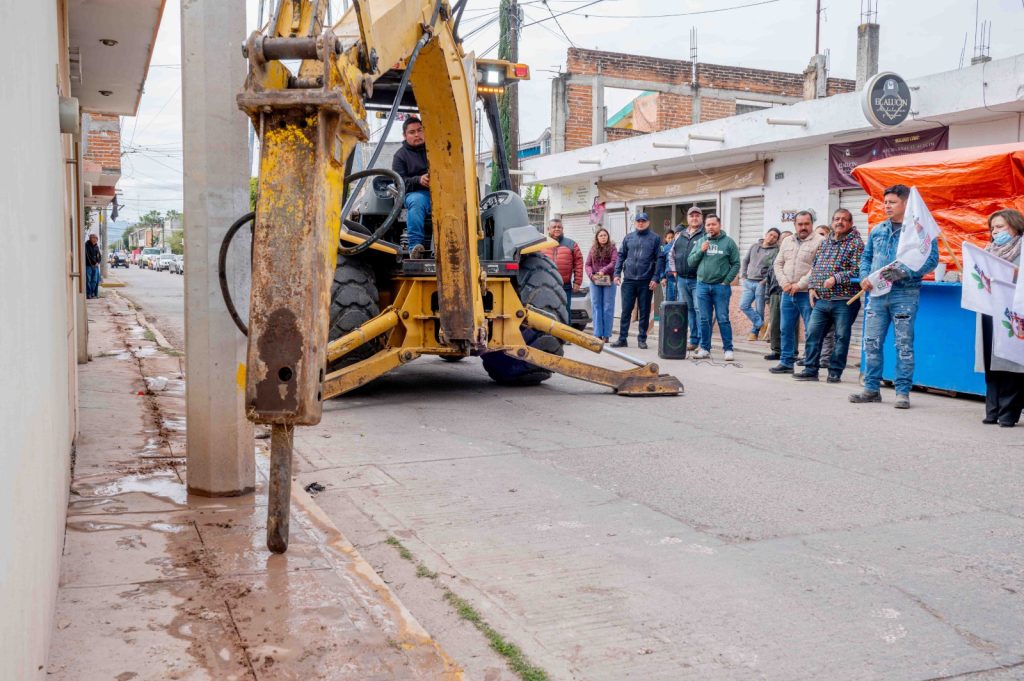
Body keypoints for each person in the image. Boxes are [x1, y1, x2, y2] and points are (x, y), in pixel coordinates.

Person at [850, 183, 939, 408]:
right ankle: (871, 389)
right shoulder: (878, 229)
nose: (887, 206)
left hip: (905, 294)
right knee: (871, 343)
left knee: (903, 345)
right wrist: (864, 277)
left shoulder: (920, 230)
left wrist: (905, 272)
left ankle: (902, 392)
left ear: (906, 203)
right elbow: (866, 257)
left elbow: (932, 259)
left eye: (892, 202)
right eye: (885, 202)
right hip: (876, 294)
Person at [792, 209, 865, 383]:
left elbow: (859, 270)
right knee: (813, 335)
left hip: (845, 301)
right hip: (822, 300)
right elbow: (815, 267)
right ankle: (810, 369)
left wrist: (836, 278)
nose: (840, 222)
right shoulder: (826, 242)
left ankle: (835, 372)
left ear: (850, 223)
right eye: (837, 219)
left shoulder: (856, 243)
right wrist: (812, 287)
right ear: (832, 222)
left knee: (841, 338)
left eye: (844, 219)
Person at [977, 209, 1023, 426]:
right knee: (991, 360)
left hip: (1015, 311)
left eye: (1000, 226)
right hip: (990, 311)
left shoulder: (1022, 248)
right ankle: (992, 410)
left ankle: (1008, 413)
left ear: (1015, 226)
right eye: (992, 227)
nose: (995, 231)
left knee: (1011, 361)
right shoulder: (989, 251)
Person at [769, 212, 824, 374]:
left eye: (807, 224)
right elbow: (778, 264)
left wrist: (799, 285)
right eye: (800, 224)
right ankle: (786, 362)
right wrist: (784, 283)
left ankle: (810, 364)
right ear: (794, 225)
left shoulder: (820, 241)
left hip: (808, 293)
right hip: (787, 292)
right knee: (785, 328)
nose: (803, 227)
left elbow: (818, 267)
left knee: (811, 330)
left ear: (812, 224)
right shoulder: (787, 241)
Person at [687, 214, 740, 361]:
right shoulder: (701, 241)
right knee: (704, 319)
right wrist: (701, 250)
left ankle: (728, 349)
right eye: (708, 225)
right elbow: (690, 262)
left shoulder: (728, 242)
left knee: (723, 318)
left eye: (713, 224)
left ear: (719, 225)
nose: (710, 227)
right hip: (702, 286)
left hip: (720, 287)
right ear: (705, 227)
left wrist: (727, 281)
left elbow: (736, 263)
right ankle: (705, 348)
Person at [612, 212, 662, 349]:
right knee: (626, 311)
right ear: (634, 223)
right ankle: (622, 338)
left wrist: (655, 277)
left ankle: (642, 339)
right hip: (629, 280)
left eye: (643, 221)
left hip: (646, 281)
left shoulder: (655, 238)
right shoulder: (628, 237)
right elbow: (621, 256)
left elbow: (660, 259)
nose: (641, 223)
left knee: (644, 311)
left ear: (648, 223)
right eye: (638, 221)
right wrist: (617, 273)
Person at [664, 205, 705, 350]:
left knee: (700, 310)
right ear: (688, 218)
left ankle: (703, 343)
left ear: (701, 218)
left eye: (697, 215)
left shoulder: (705, 235)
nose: (694, 218)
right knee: (689, 310)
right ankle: (693, 341)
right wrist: (674, 271)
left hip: (698, 280)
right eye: (691, 216)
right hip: (681, 279)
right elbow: (671, 254)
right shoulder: (680, 235)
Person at [392, 116, 430, 259]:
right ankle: (415, 247)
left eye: (420, 130)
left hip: (441, 192)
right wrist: (419, 180)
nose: (417, 135)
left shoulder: (435, 149)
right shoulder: (400, 156)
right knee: (417, 202)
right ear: (405, 135)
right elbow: (399, 182)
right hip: (416, 193)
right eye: (412, 132)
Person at [739, 228, 780, 340]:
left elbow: (773, 268)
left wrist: (765, 280)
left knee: (759, 309)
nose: (772, 238)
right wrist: (743, 275)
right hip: (748, 281)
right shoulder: (754, 246)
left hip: (761, 283)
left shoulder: (776, 251)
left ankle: (754, 333)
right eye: (771, 234)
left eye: (775, 237)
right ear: (766, 234)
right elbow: (745, 260)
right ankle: (761, 325)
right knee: (743, 305)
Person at [542, 218, 584, 320]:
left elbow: (579, 263)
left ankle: (565, 330)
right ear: (548, 229)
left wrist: (577, 282)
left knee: (565, 312)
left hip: (565, 286)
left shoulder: (571, 244)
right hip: (546, 286)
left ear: (562, 229)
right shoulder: (541, 244)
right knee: (547, 312)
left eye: (559, 227)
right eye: (554, 227)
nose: (557, 229)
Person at [763, 230, 794, 360]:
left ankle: (793, 352)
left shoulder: (794, 256)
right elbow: (769, 277)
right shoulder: (775, 256)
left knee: (790, 324)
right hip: (775, 293)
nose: (785, 241)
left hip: (790, 292)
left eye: (788, 238)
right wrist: (767, 295)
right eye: (783, 239)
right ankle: (776, 350)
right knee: (775, 323)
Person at [585, 227, 618, 342]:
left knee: (608, 307)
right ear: (597, 238)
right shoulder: (593, 249)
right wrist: (591, 275)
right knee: (596, 306)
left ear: (608, 237)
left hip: (609, 280)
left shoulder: (613, 248)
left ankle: (606, 335)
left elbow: (614, 262)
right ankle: (598, 334)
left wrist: (603, 270)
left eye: (605, 235)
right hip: (595, 281)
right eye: (601, 236)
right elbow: (587, 264)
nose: (603, 237)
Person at [660, 228, 677, 302]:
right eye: (668, 238)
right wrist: (662, 277)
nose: (670, 239)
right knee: (668, 299)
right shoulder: (663, 249)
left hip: (677, 277)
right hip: (667, 278)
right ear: (665, 239)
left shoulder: (678, 247)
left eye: (672, 237)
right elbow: (661, 264)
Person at [85, 233, 102, 299]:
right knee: (88, 280)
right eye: (94, 238)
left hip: (95, 266)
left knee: (95, 280)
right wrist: (94, 263)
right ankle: (89, 293)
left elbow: (99, 256)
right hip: (88, 266)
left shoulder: (96, 246)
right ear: (90, 238)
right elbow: (88, 256)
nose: (95, 240)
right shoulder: (86, 245)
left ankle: (93, 293)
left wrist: (98, 262)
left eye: (96, 238)